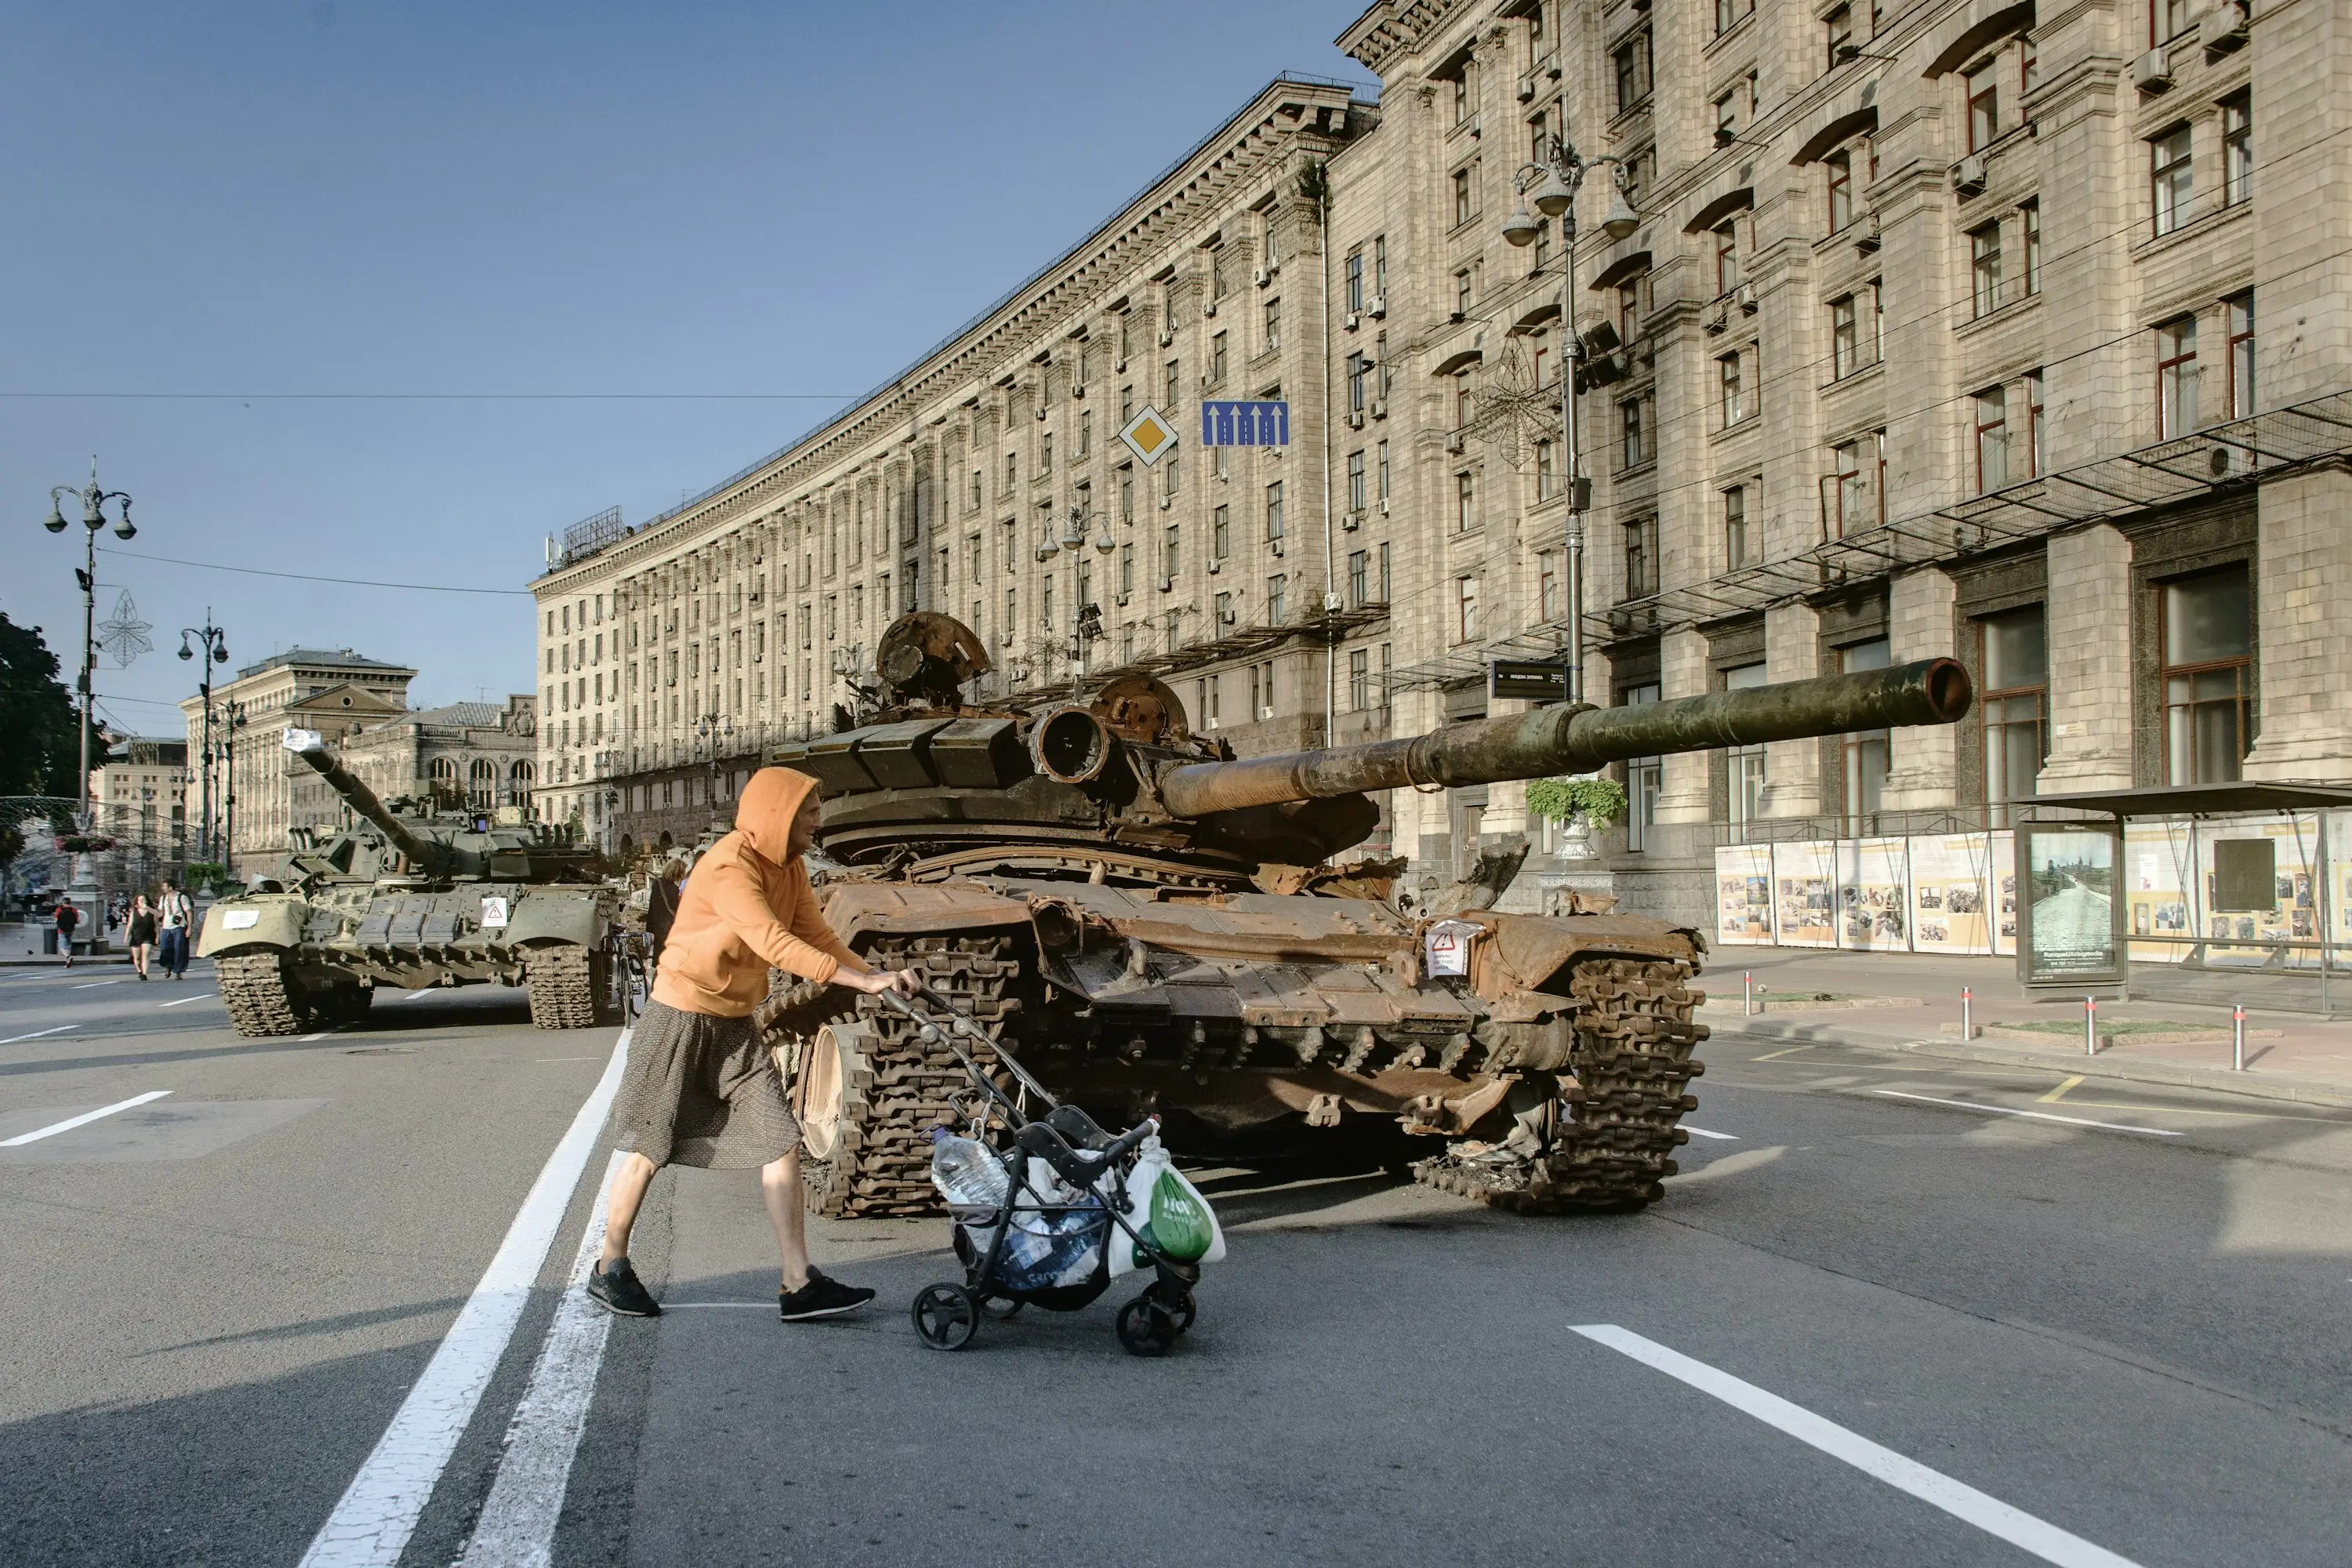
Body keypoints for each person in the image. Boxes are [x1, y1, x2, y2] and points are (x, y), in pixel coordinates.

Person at [589, 768, 917, 1323]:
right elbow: (771, 940)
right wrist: (859, 982)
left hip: (735, 1023)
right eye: (809, 810)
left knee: (780, 1139)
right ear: (777, 815)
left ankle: (797, 1282)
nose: (818, 819)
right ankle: (610, 1266)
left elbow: (817, 934)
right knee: (652, 1142)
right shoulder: (727, 865)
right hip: (681, 1015)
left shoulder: (788, 869)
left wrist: (876, 974)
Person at [644, 855, 688, 971]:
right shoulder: (673, 890)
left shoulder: (657, 884)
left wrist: (649, 929)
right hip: (669, 931)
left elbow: (652, 909)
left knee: (660, 966)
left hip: (658, 930)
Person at [155, 881, 194, 980]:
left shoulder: (182, 897)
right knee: (165, 948)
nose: (163, 888)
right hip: (166, 926)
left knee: (179, 950)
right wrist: (149, 909)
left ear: (171, 887)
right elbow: (160, 913)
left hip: (179, 927)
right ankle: (168, 966)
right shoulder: (163, 898)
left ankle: (178, 972)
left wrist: (189, 928)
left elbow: (188, 912)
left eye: (165, 886)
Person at [125, 895, 158, 980]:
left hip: (148, 936)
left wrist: (157, 937)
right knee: (137, 958)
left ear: (147, 901)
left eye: (143, 899)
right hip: (136, 936)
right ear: (137, 902)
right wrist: (126, 936)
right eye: (140, 900)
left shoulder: (152, 912)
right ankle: (139, 971)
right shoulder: (134, 912)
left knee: (146, 955)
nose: (142, 901)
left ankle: (144, 974)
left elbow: (157, 926)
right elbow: (130, 925)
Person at [51, 898, 81, 967]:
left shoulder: (59, 909)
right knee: (68, 944)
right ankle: (67, 963)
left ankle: (68, 957)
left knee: (62, 946)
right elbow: (78, 921)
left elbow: (55, 921)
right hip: (70, 930)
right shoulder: (74, 910)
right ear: (70, 903)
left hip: (61, 930)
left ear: (62, 902)